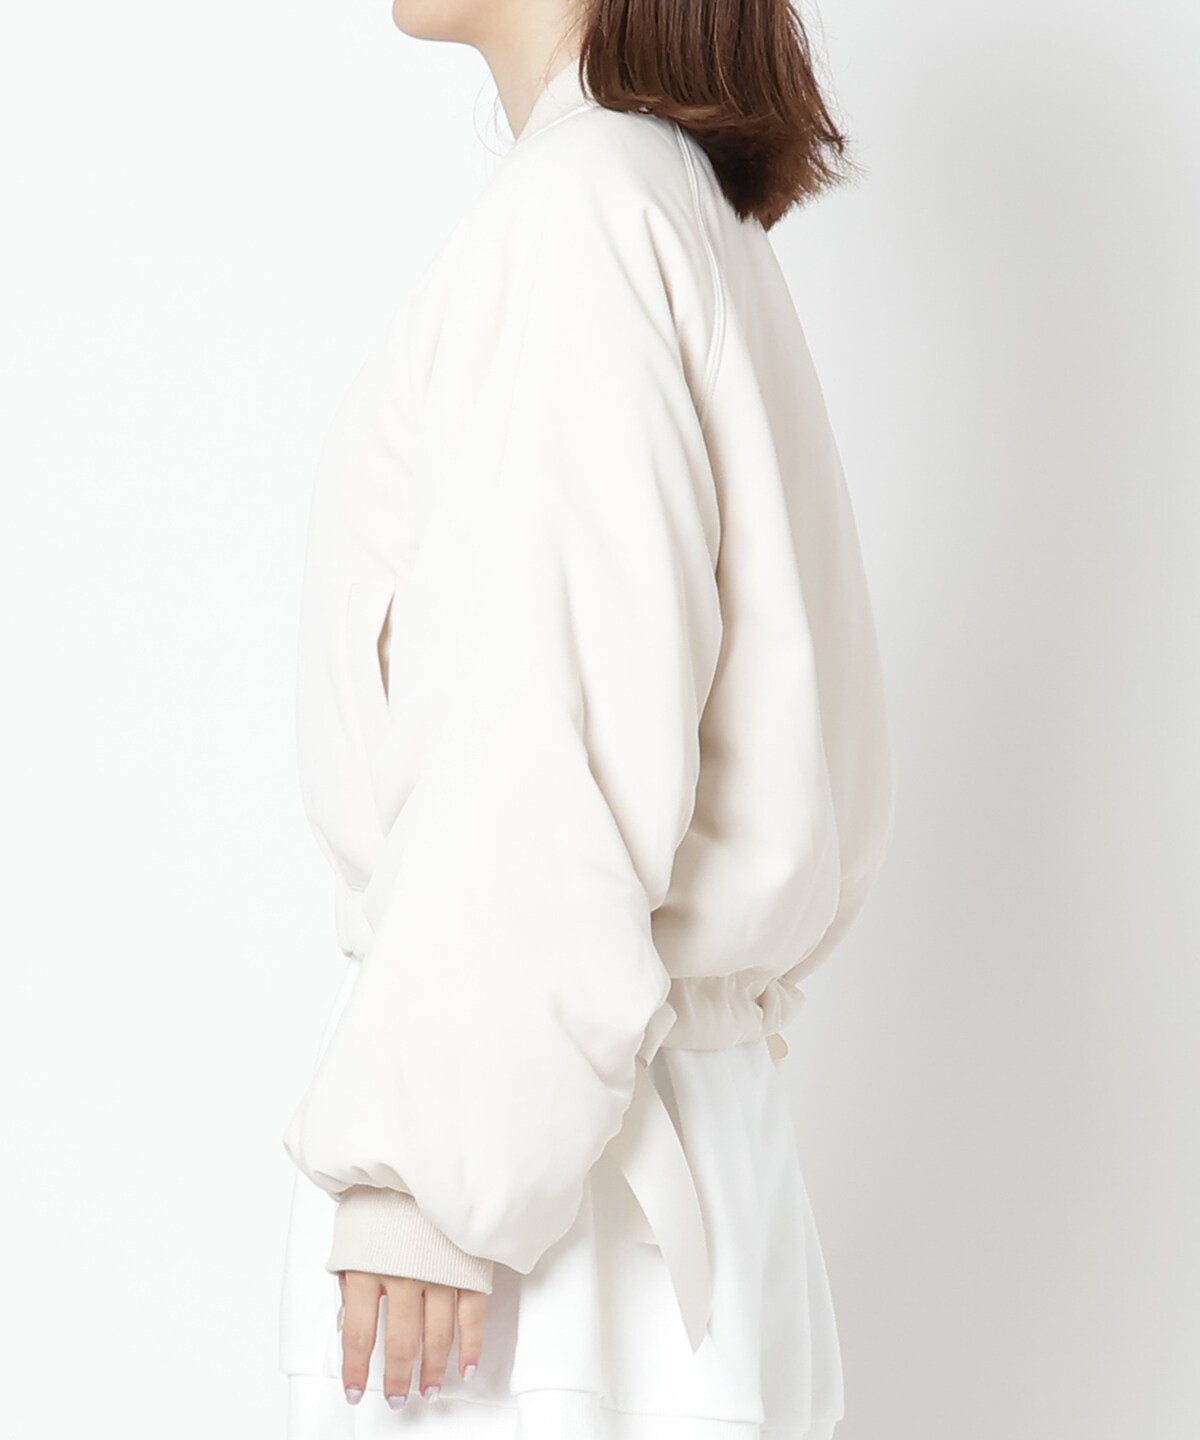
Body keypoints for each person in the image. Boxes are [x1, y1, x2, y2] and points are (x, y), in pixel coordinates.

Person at [277, 2, 895, 1435]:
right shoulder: (655, 200)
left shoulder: (581, 211)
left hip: (538, 1229)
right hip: (632, 1169)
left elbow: (535, 717)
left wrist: (434, 1172)